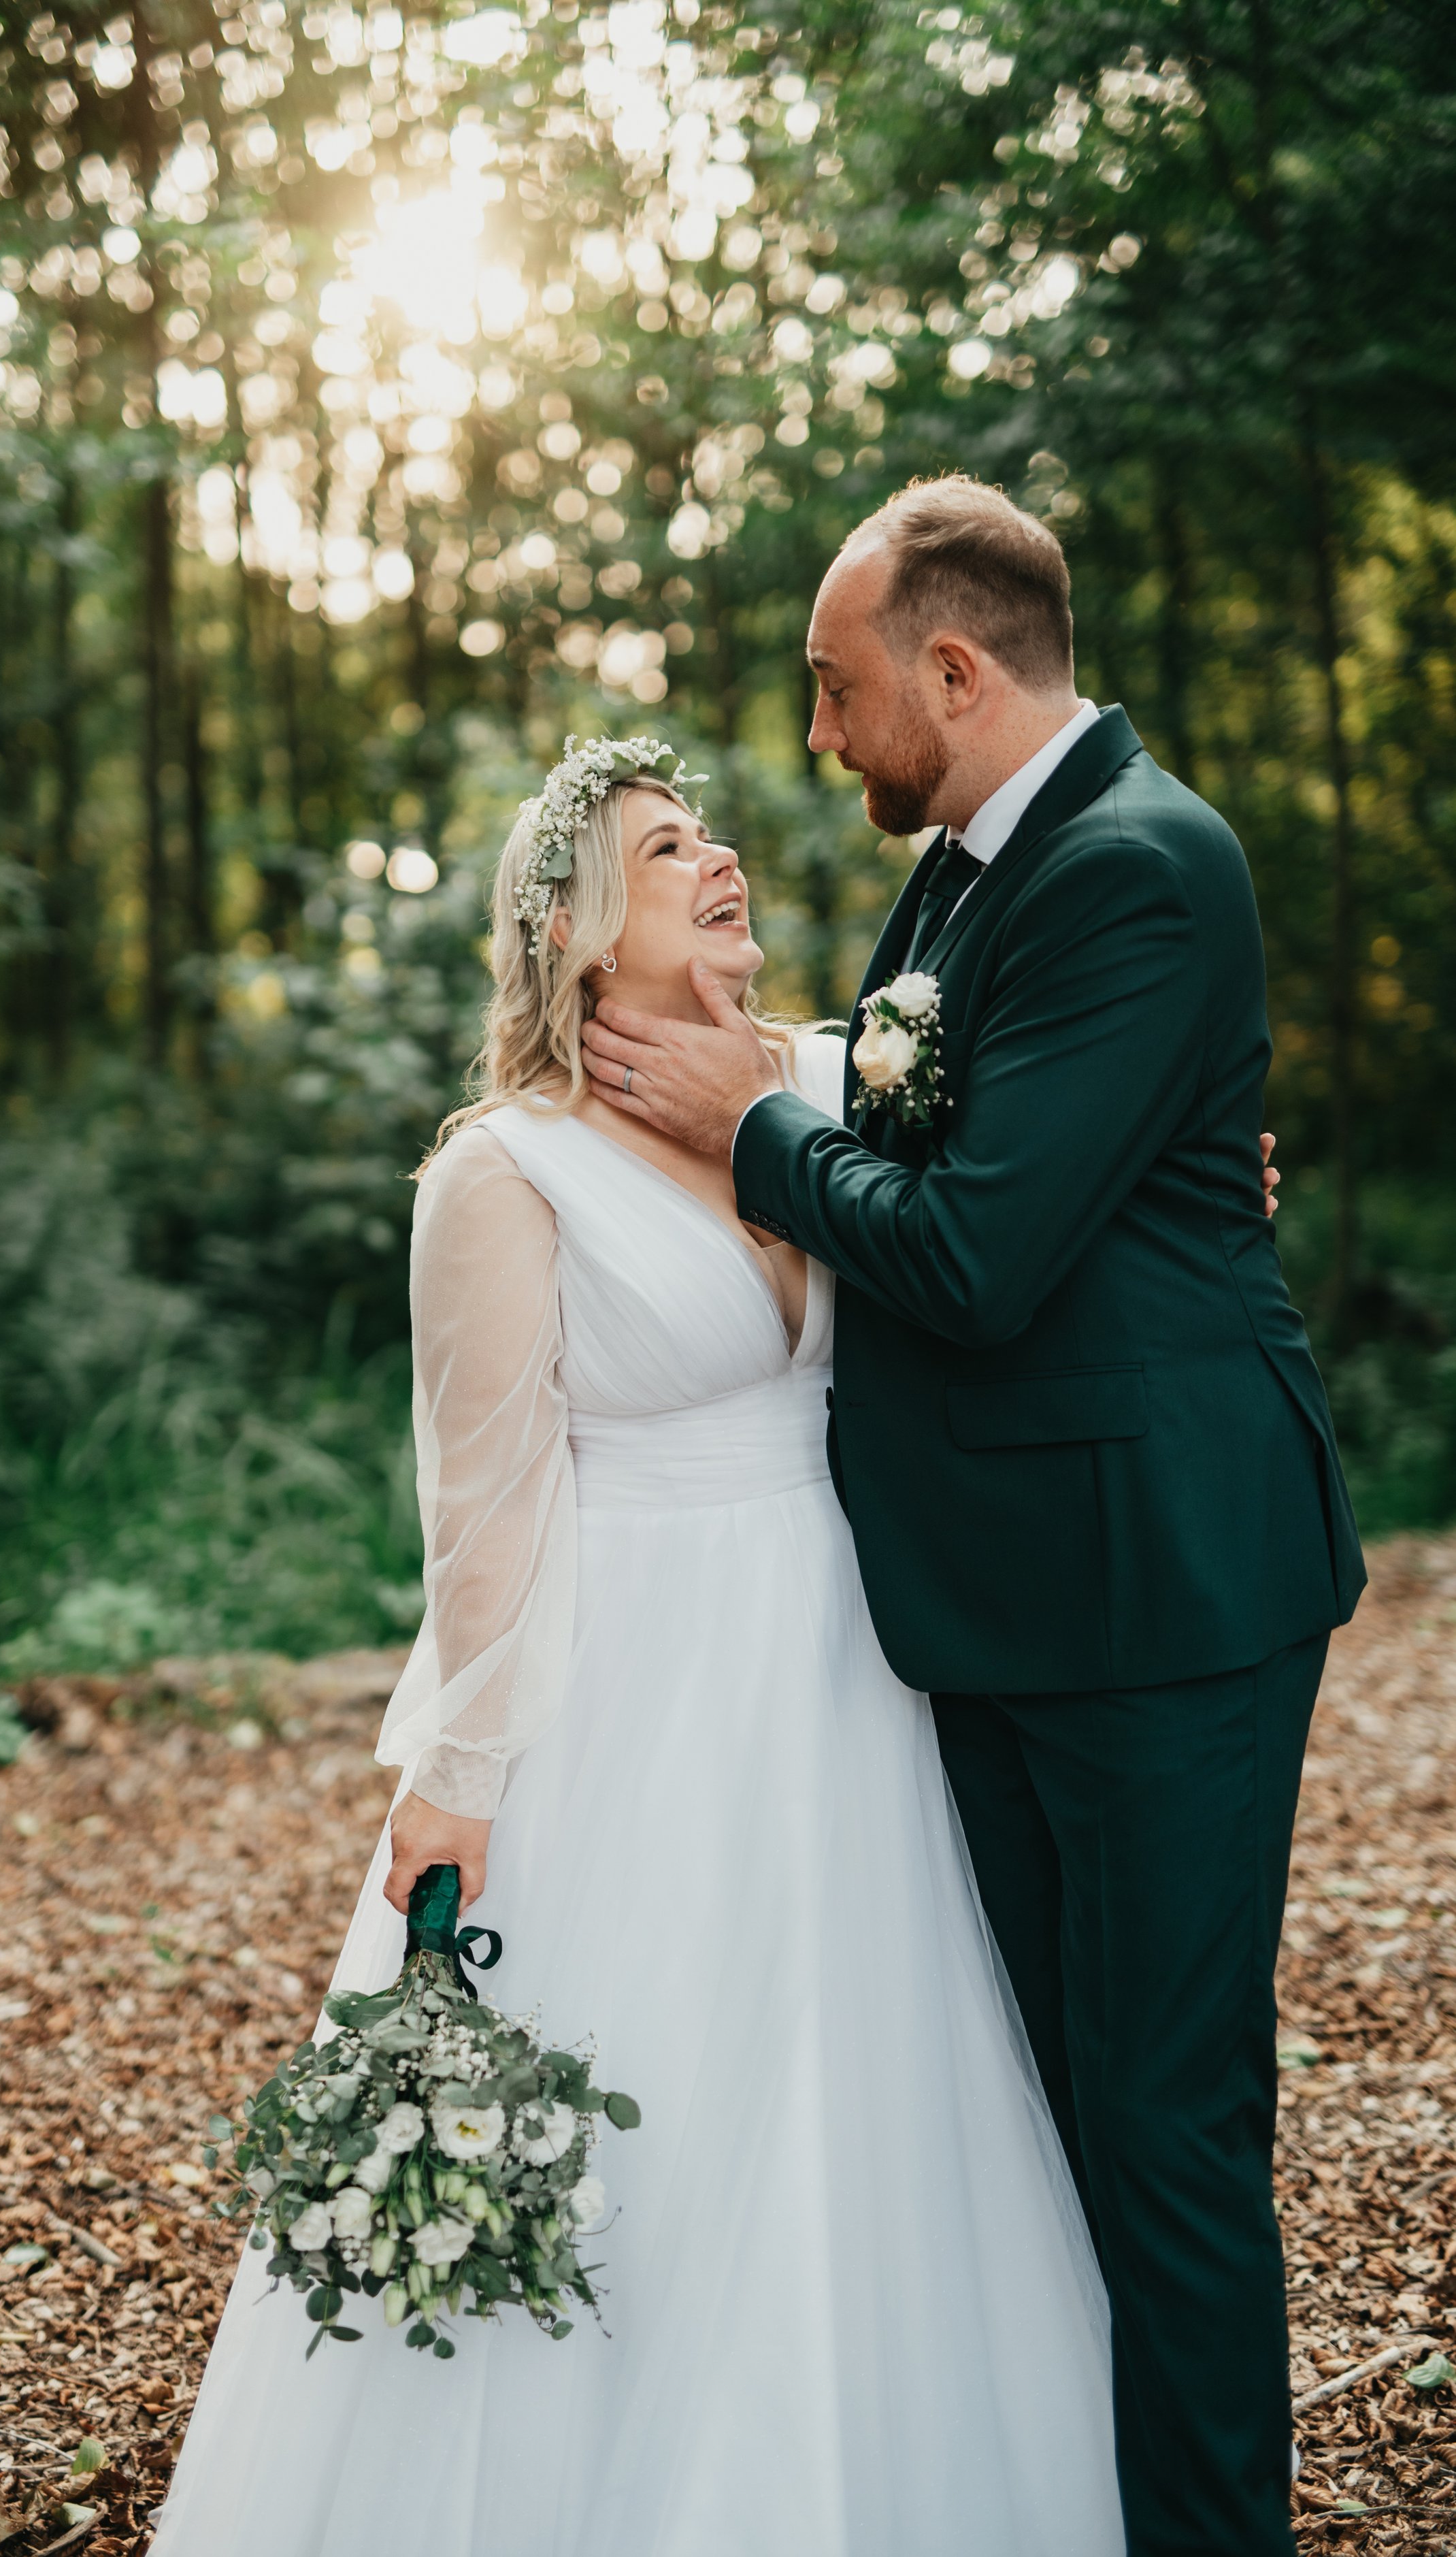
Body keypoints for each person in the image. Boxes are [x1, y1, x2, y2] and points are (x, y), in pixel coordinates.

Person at [151, 734, 1129, 2557]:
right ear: (579, 932)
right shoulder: (500, 1175)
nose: (718, 858)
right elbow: (490, 1511)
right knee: (651, 2125)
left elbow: (1041, 1188)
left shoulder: (838, 1078)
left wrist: (1193, 1176)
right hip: (639, 1694)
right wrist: (455, 1781)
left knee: (854, 2101)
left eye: (711, 833)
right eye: (665, 847)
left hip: (852, 1673)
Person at [580, 476, 1366, 2557]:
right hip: (1008, 1597)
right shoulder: (957, 875)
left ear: (951, 666)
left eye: (839, 693)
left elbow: (983, 1248)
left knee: (1163, 2130)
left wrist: (746, 1131)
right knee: (1052, 2122)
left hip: (1156, 1597)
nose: (820, 740)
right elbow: (939, 1115)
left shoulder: (1138, 866)